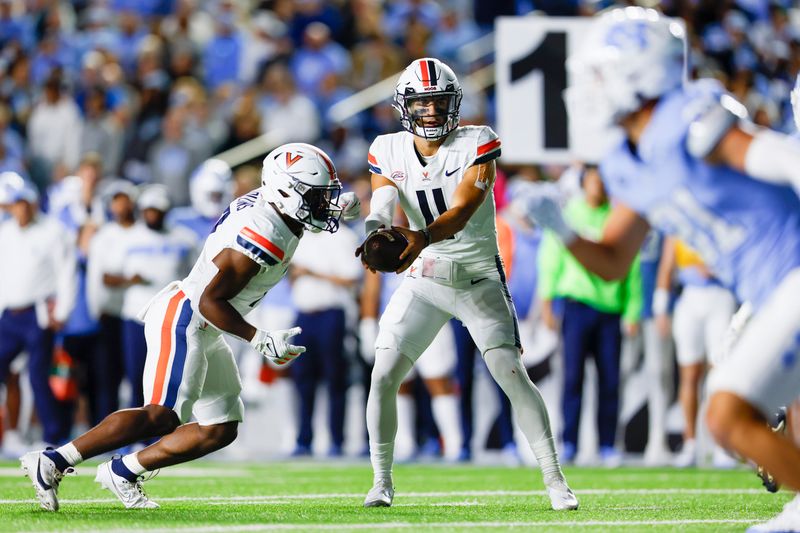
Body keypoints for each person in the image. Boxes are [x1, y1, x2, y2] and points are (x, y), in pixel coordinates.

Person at [515, 7, 800, 531]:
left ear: (638, 72)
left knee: (727, 414)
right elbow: (612, 262)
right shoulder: (624, 161)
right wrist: (564, 230)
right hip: (768, 289)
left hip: (793, 272)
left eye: (600, 73)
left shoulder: (686, 115)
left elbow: (776, 157)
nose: (589, 87)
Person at [20, 142, 361, 512]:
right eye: (316, 197)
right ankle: (54, 460)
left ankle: (124, 470)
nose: (323, 204)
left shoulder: (274, 202)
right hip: (188, 316)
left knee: (221, 426)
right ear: (286, 192)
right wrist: (258, 338)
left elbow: (294, 206)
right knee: (162, 416)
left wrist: (336, 207)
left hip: (206, 323)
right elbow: (208, 301)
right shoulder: (263, 236)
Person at [358, 57, 577, 510]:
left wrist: (419, 236)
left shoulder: (478, 141)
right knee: (383, 376)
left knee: (512, 375)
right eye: (423, 103)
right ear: (406, 106)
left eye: (439, 101)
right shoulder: (388, 148)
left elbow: (461, 211)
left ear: (453, 102)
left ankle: (555, 479)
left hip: (478, 279)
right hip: (424, 280)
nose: (433, 111)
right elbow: (382, 198)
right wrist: (377, 229)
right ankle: (381, 481)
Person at [537, 165, 642, 467]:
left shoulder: (616, 217)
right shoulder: (570, 214)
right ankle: (569, 442)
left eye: (602, 180)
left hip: (610, 308)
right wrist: (547, 302)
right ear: (584, 184)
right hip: (576, 305)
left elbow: (630, 265)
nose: (598, 186)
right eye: (594, 180)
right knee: (573, 378)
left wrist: (633, 308)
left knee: (609, 380)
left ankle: (608, 445)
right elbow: (551, 257)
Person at [0, 178, 77, 447]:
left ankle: (53, 437)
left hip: (38, 312)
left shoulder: (53, 231)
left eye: (23, 203)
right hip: (9, 313)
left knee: (37, 375)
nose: (19, 210)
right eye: (15, 204)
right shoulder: (5, 232)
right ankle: (10, 434)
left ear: (32, 203)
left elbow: (66, 273)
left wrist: (64, 310)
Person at [655, 238, 736, 468]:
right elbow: (667, 265)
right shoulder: (679, 222)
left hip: (720, 295)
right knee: (689, 375)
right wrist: (661, 307)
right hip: (690, 297)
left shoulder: (721, 218)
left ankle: (722, 446)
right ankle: (690, 443)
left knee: (720, 374)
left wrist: (718, 269)